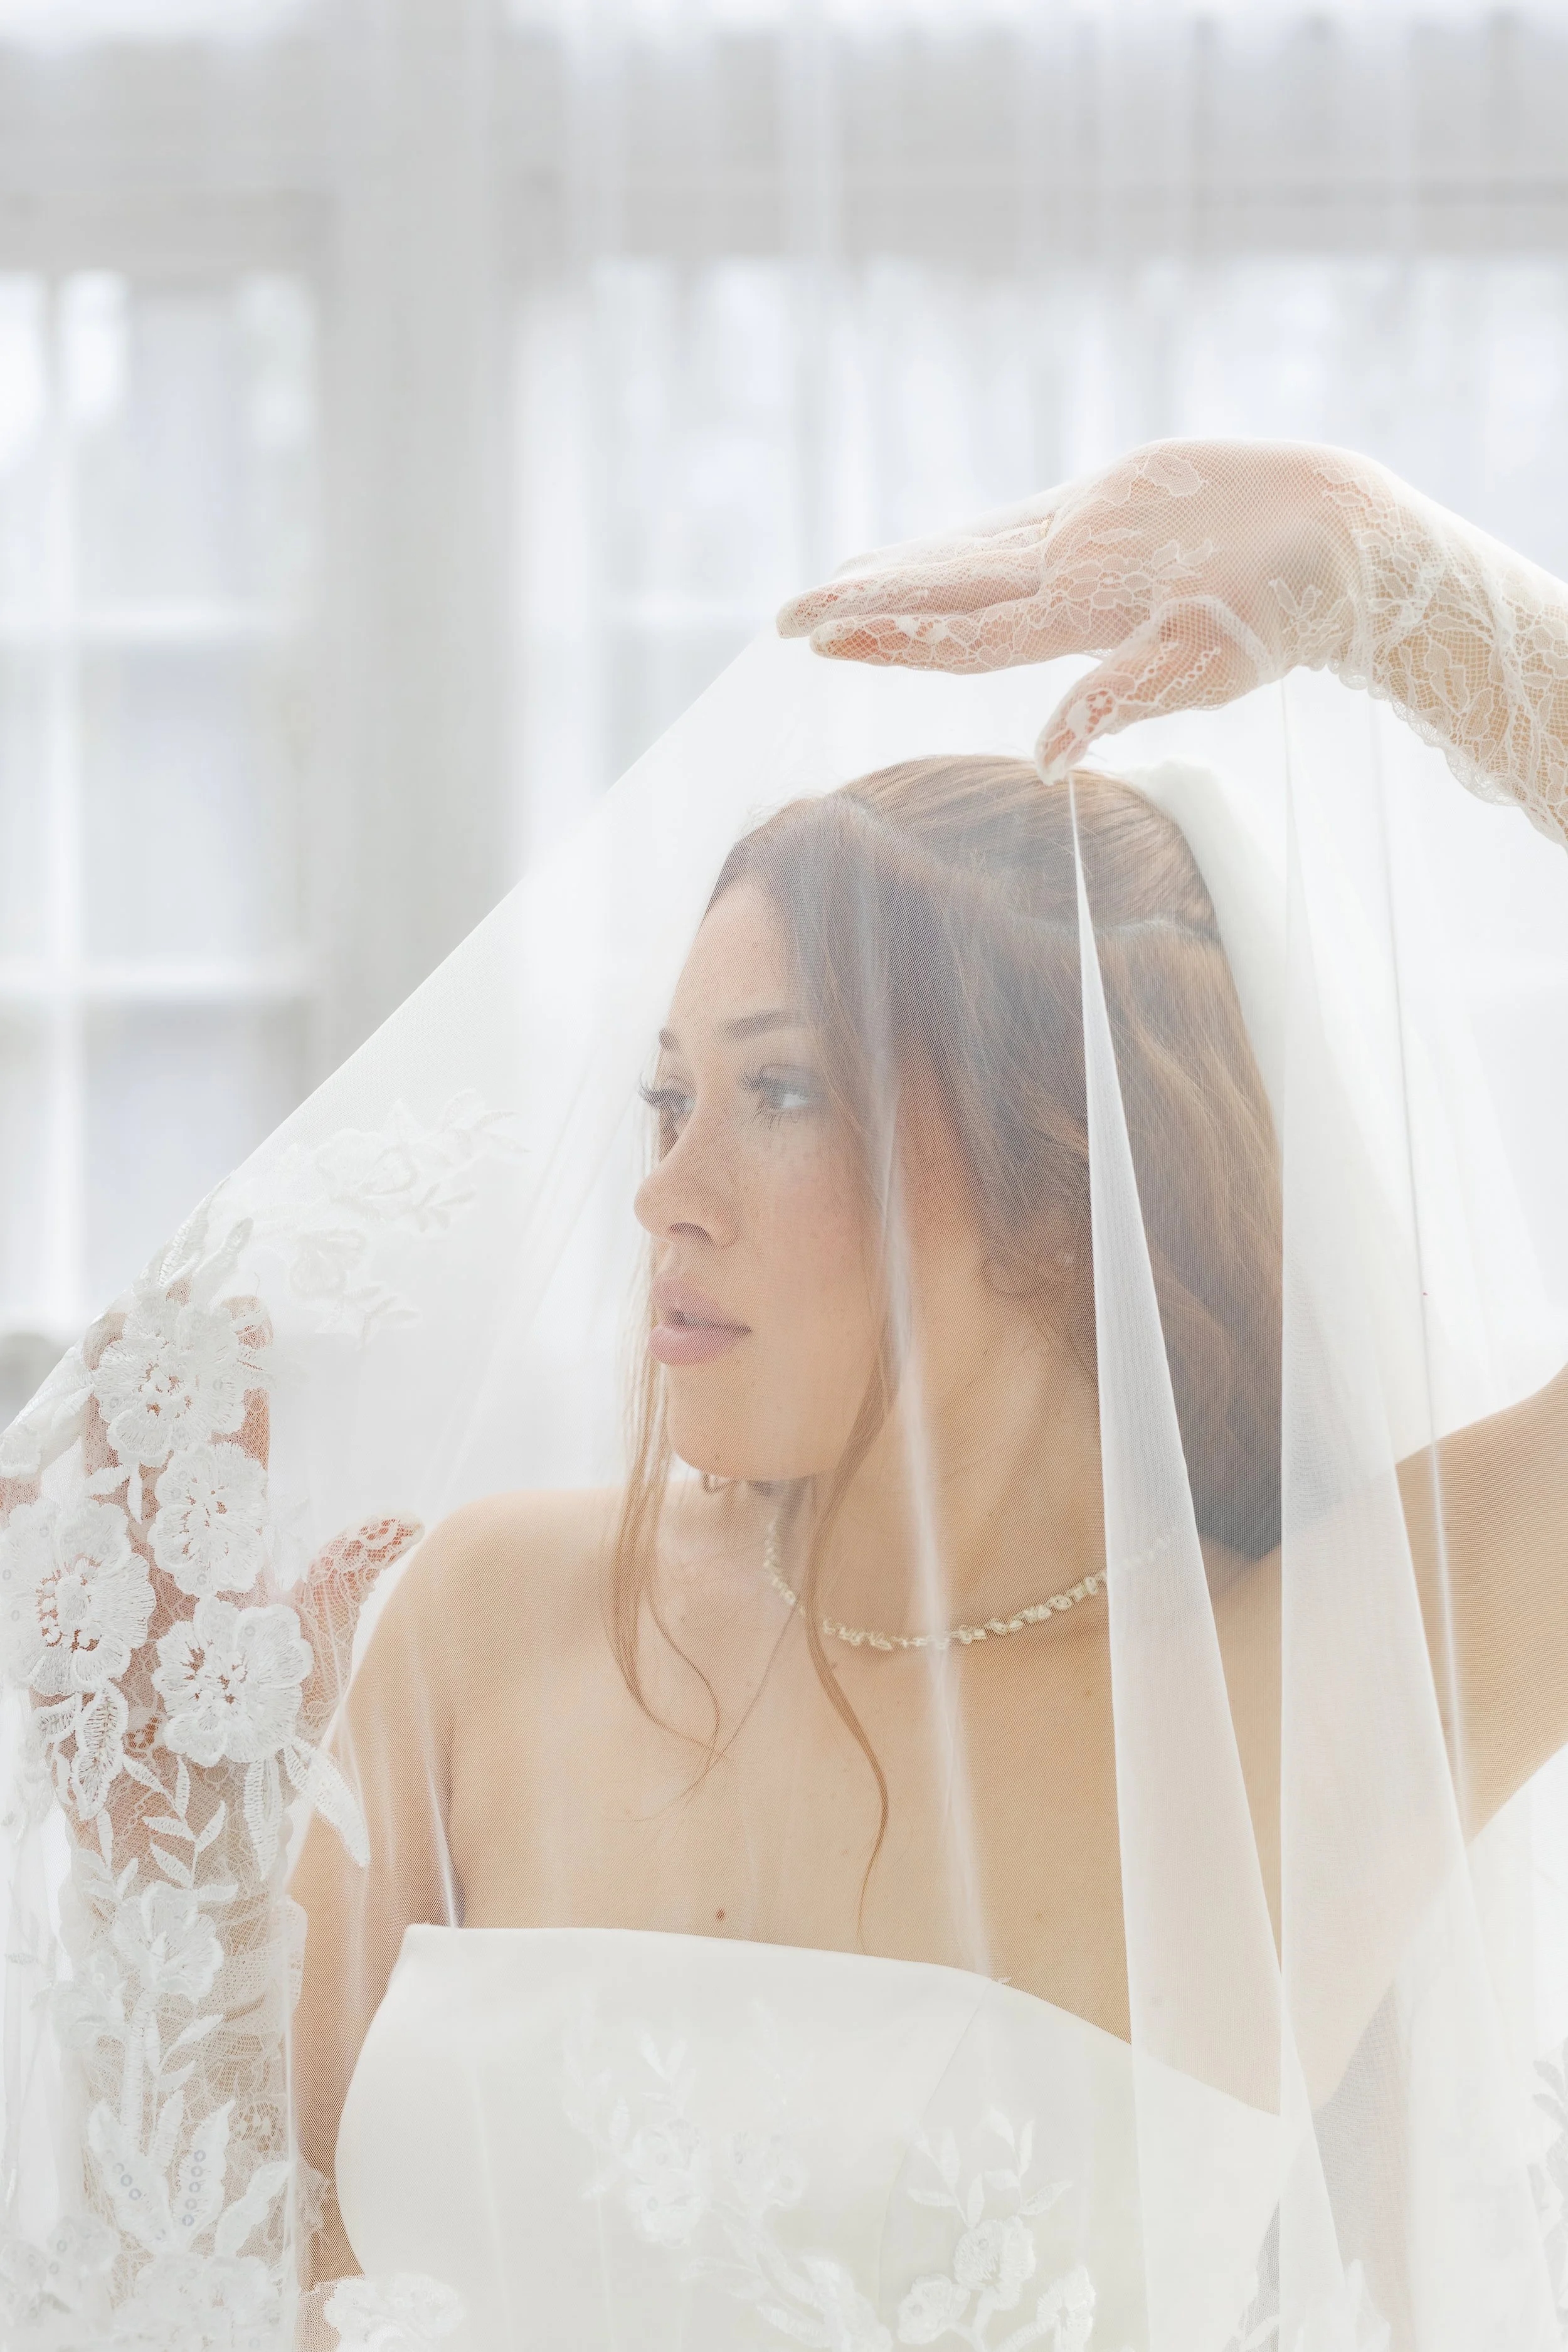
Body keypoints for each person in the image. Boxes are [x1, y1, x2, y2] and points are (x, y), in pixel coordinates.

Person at [3, 438, 1567, 2352]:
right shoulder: (482, 1624)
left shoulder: (1345, 1674)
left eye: (780, 1089)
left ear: (1058, 1148)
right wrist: (161, 1867)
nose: (666, 1188)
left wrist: (1391, 582)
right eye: (668, 1099)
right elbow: (239, 2285)